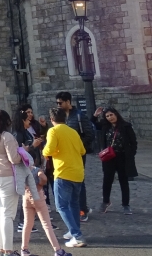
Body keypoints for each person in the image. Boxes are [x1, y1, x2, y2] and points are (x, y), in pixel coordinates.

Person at [0, 110, 30, 256]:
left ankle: (2, 249)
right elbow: (13, 158)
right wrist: (24, 151)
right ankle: (8, 250)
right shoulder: (7, 137)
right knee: (8, 215)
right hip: (6, 177)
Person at [43, 107, 87, 248]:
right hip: (78, 172)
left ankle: (77, 236)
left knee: (61, 206)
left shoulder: (53, 131)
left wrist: (45, 150)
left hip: (63, 172)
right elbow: (82, 150)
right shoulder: (73, 131)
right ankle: (74, 230)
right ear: (65, 118)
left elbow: (49, 149)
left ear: (51, 119)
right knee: (74, 204)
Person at [55, 92, 94, 221]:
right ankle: (73, 208)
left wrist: (77, 148)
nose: (58, 105)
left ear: (68, 102)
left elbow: (89, 134)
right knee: (66, 181)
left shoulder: (79, 116)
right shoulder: (59, 117)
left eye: (60, 103)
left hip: (77, 154)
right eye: (57, 103)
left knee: (79, 182)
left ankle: (82, 210)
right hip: (63, 156)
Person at [19, 158, 70, 256]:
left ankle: (24, 249)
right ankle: (58, 250)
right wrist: (39, 185)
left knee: (27, 224)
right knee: (47, 224)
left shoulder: (20, 171)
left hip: (26, 197)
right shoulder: (36, 169)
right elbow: (44, 178)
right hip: (38, 196)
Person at [93, 106, 137, 215]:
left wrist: (131, 154)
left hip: (122, 156)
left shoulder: (126, 126)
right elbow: (92, 124)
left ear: (116, 114)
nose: (110, 118)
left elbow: (133, 142)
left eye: (111, 115)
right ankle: (105, 201)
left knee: (123, 181)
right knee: (107, 180)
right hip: (109, 157)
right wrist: (95, 115)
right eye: (107, 116)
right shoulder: (105, 126)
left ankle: (125, 204)